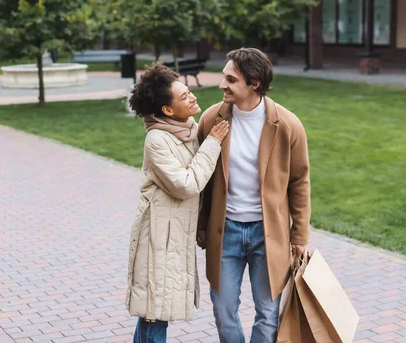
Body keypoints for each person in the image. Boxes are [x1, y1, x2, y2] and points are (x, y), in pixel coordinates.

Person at [197, 48, 311, 343]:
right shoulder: (212, 119)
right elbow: (202, 179)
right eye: (224, 77)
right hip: (225, 233)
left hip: (268, 234)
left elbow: (299, 181)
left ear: (254, 83)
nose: (222, 85)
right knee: (223, 311)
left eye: (231, 80)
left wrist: (299, 235)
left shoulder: (287, 125)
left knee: (268, 312)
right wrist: (200, 227)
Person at [125, 63, 230, 343]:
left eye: (189, 91)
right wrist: (213, 144)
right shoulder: (157, 140)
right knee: (155, 311)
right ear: (168, 111)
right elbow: (187, 185)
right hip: (158, 236)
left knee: (154, 309)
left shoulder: (187, 129)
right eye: (184, 97)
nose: (193, 97)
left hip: (174, 233)